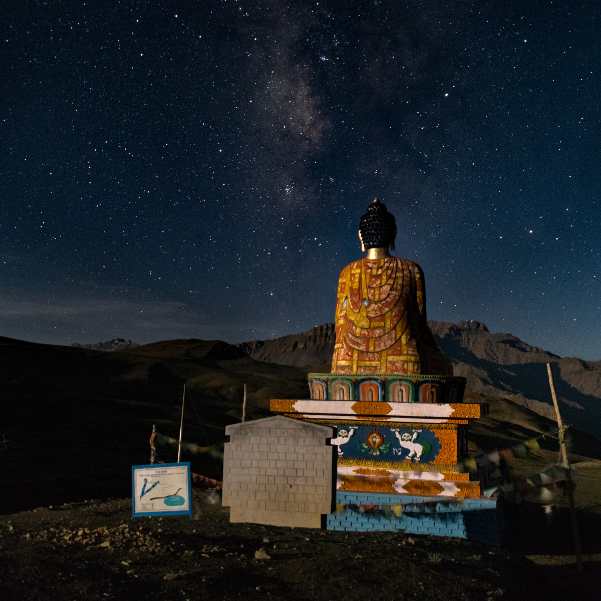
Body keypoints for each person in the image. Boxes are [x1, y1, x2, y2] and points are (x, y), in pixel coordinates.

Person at [331, 197, 451, 376]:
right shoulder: (411, 269)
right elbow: (420, 325)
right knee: (444, 369)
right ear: (393, 234)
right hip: (404, 364)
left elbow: (339, 326)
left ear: (361, 236)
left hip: (347, 363)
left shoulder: (346, 273)